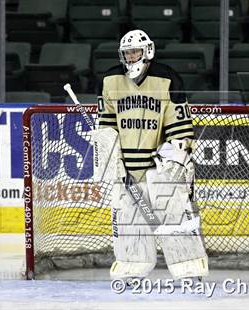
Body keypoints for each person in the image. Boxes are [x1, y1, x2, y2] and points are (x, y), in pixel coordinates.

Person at [97, 29, 208, 282]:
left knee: (175, 214)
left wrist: (175, 157)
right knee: (128, 219)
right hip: (125, 167)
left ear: (148, 51)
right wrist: (109, 156)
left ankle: (189, 268)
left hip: (159, 166)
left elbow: (180, 127)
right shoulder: (111, 79)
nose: (131, 57)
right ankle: (132, 266)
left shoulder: (167, 78)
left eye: (135, 51)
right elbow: (106, 125)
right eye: (127, 53)